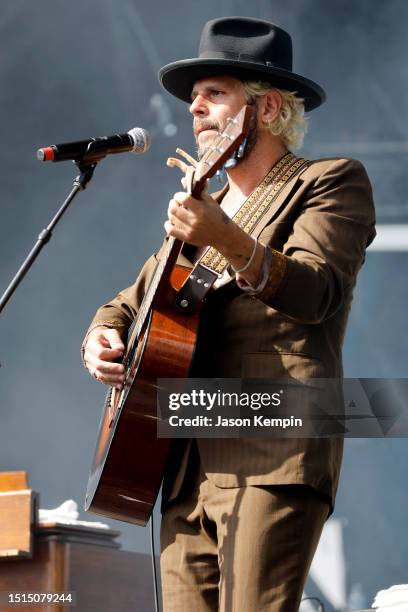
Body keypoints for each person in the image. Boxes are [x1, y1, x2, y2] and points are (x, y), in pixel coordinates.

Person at [82, 16, 375, 611]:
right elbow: (129, 302)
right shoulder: (203, 207)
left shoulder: (328, 182)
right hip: (184, 462)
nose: (196, 110)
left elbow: (317, 293)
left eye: (215, 94)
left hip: (272, 451)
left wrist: (227, 236)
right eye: (194, 99)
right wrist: (100, 336)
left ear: (267, 110)